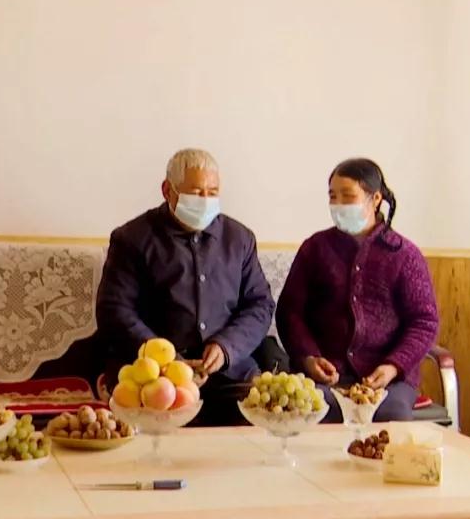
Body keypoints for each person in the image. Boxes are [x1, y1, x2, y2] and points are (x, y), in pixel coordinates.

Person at [96, 148, 275, 425]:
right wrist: (167, 359)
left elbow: (260, 304)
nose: (205, 201)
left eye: (212, 193)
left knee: (261, 421)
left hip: (229, 375)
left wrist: (226, 347)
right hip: (153, 378)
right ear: (168, 190)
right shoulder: (132, 239)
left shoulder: (239, 239)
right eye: (196, 193)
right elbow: (114, 310)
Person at [275, 158, 439, 422]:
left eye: (348, 196)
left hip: (388, 381)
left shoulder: (404, 255)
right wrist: (309, 358)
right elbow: (289, 312)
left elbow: (424, 321)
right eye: (333, 196)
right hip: (325, 378)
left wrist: (393, 366)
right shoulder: (315, 248)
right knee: (310, 409)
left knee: (389, 414)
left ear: (375, 199)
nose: (339, 204)